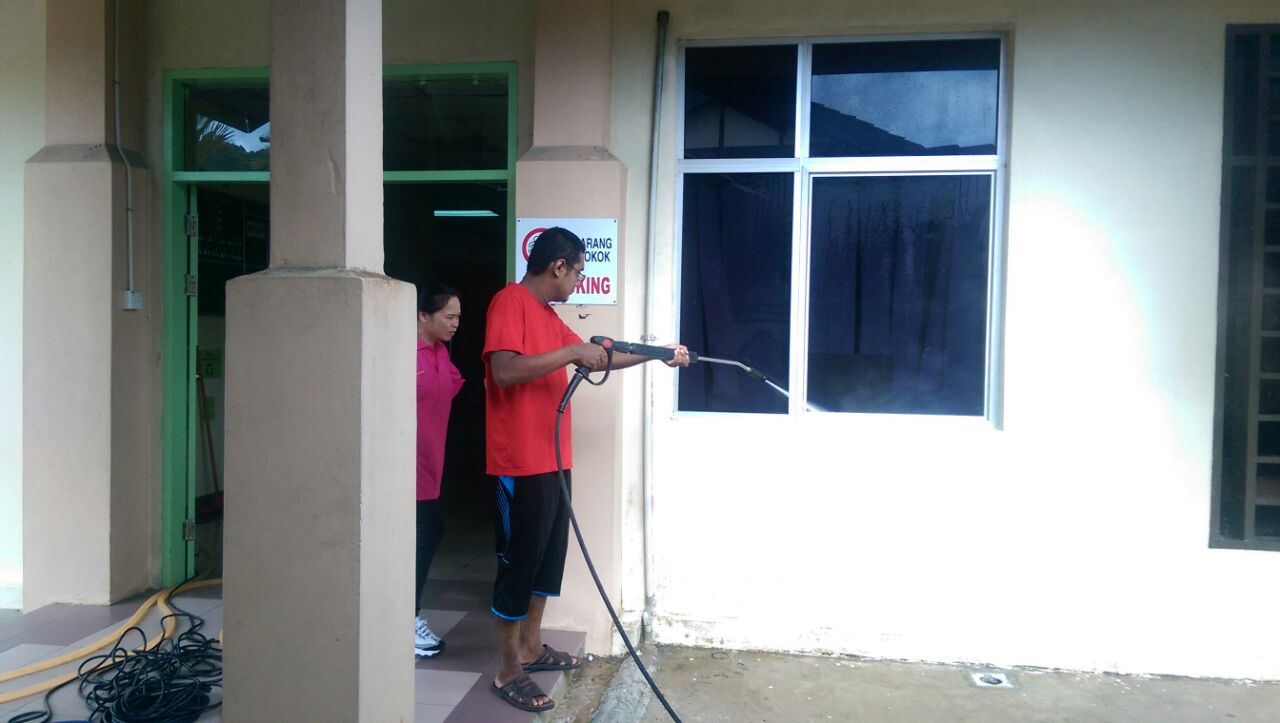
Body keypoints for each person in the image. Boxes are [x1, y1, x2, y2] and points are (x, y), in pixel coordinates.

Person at [482, 227, 690, 712]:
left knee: (546, 560)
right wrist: (572, 352)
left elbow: (599, 356)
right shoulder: (509, 303)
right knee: (517, 565)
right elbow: (504, 371)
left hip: (553, 460)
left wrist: (659, 355)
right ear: (558, 266)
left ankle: (530, 648)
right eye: (577, 271)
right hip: (519, 463)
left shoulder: (546, 315)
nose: (578, 281)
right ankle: (507, 669)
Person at [414, 281, 464, 658]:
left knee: (426, 534)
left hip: (432, 465)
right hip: (406, 467)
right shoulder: (404, 353)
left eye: (458, 317)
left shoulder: (441, 353)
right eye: (448, 316)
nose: (455, 323)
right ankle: (405, 619)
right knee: (425, 533)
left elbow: (453, 385)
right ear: (423, 316)